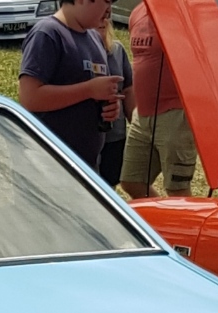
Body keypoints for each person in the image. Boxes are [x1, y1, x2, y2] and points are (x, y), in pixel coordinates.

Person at [18, 0, 124, 169]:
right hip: (48, 167)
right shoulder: (47, 33)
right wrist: (89, 90)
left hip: (86, 168)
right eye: (106, 2)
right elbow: (30, 98)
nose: (109, 11)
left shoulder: (95, 38)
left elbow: (94, 91)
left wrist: (110, 108)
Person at [120, 0, 197, 197]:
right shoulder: (137, 13)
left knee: (177, 189)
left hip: (175, 114)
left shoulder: (180, 10)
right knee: (131, 182)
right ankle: (159, 225)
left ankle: (180, 225)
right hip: (142, 115)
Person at [96, 7, 133, 186]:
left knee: (110, 186)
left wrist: (137, 127)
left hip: (115, 134)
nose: (101, 22)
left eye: (105, 19)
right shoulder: (77, 50)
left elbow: (128, 90)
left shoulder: (117, 50)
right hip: (88, 134)